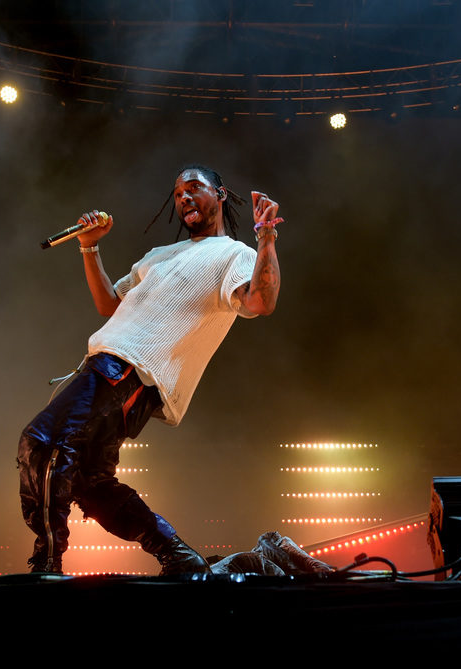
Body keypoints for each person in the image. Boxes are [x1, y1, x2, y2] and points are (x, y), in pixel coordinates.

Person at [17, 164, 281, 574]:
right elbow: (110, 306)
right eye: (177, 193)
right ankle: (176, 554)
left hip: (130, 369)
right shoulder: (158, 257)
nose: (184, 198)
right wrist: (90, 247)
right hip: (111, 367)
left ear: (221, 194)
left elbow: (260, 301)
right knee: (90, 481)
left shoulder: (235, 254)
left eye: (194, 188)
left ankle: (47, 561)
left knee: (42, 441)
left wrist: (265, 239)